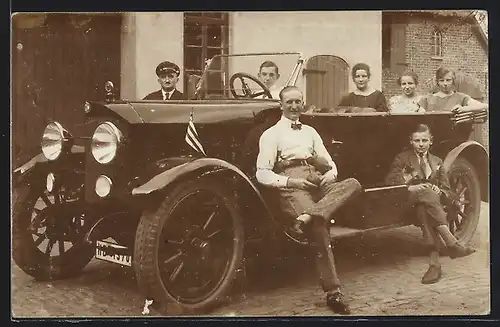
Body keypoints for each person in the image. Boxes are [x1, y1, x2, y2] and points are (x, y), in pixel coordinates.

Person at [256, 85, 362, 314]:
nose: (294, 107)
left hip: (317, 179)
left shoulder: (311, 132)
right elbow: (262, 173)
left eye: (298, 102)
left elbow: (330, 163)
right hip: (293, 184)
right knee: (319, 227)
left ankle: (308, 215)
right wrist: (292, 183)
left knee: (353, 183)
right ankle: (333, 292)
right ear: (281, 105)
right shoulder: (271, 135)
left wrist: (329, 176)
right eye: (289, 102)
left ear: (303, 103)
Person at [385, 124, 476, 284]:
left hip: (425, 209)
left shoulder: (437, 162)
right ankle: (451, 242)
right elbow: (390, 182)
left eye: (424, 140)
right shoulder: (402, 158)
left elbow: (449, 193)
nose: (421, 144)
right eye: (417, 140)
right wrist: (411, 187)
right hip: (406, 204)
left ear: (431, 141)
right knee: (425, 193)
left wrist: (439, 191)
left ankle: (435, 265)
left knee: (424, 207)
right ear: (411, 141)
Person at [418, 67, 488, 113]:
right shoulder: (427, 99)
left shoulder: (461, 97)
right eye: (441, 80)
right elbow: (420, 116)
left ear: (453, 80)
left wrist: (464, 108)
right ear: (437, 82)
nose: (445, 83)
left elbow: (484, 106)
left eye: (448, 80)